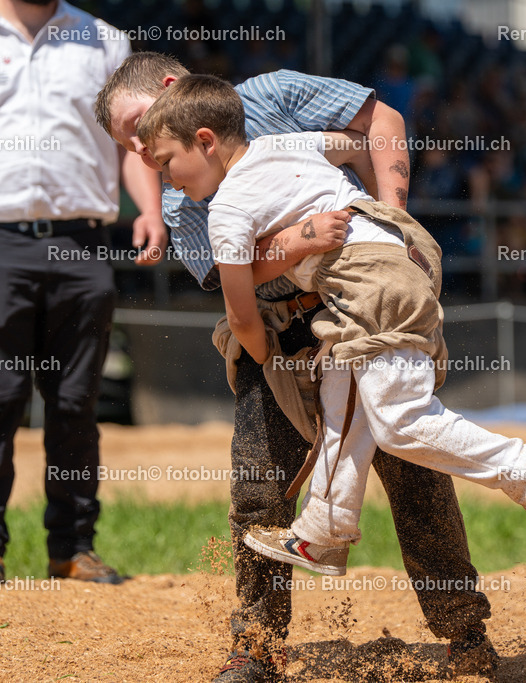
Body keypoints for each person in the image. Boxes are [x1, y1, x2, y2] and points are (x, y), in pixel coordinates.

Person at [95, 52, 494, 682]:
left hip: (358, 305)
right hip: (274, 331)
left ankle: (465, 632)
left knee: (414, 473)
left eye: (140, 129)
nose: (142, 156)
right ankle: (256, 643)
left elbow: (382, 121)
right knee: (258, 484)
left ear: (172, 91)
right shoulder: (179, 201)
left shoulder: (275, 95)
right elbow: (236, 279)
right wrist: (301, 240)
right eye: (129, 145)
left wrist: (397, 222)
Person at [136, 74, 526, 579]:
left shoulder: (227, 208)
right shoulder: (285, 144)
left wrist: (264, 358)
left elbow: (240, 313)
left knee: (398, 423)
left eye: (167, 162)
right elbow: (354, 143)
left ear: (206, 141)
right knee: (341, 409)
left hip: (368, 285)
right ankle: (324, 527)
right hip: (388, 263)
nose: (166, 180)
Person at [0, 0, 167, 585]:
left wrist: (150, 208)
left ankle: (72, 549)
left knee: (76, 404)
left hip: (83, 243)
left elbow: (131, 139)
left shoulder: (106, 41)